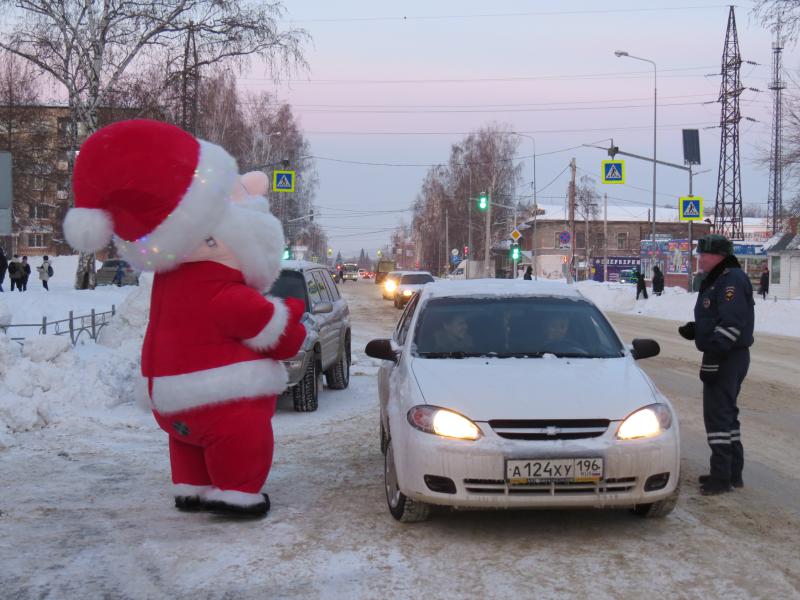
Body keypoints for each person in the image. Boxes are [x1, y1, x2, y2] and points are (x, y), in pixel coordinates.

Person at [63, 119, 307, 518]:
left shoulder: (168, 283)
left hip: (169, 400)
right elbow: (272, 333)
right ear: (221, 236)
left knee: (187, 439)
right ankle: (237, 491)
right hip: (220, 399)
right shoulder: (220, 288)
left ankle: (191, 486)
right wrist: (290, 317)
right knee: (241, 435)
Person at [678, 234, 754, 496]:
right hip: (727, 354)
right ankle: (732, 473)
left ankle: (722, 478)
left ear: (719, 256)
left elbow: (732, 324)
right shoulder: (719, 278)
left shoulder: (730, 280)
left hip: (727, 357)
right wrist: (698, 330)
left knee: (718, 416)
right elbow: (718, 317)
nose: (700, 259)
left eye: (704, 255)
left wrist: (714, 354)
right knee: (726, 414)